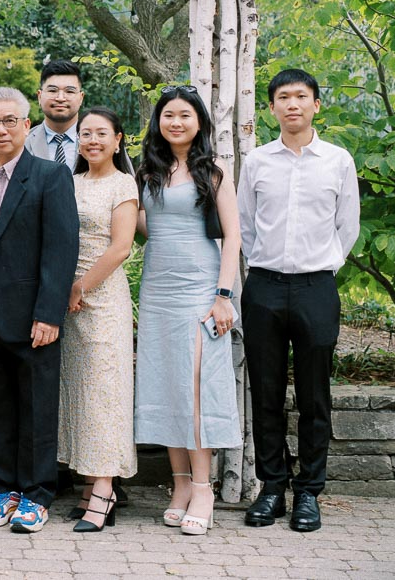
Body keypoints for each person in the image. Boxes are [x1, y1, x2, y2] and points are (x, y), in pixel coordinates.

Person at [0, 87, 79, 534]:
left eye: (10, 120)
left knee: (37, 405)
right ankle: (3, 489)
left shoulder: (49, 177)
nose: (1, 129)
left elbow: (61, 251)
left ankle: (37, 493)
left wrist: (49, 314)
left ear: (27, 125)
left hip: (31, 316)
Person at [238, 69, 360, 533]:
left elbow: (347, 227)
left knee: (314, 394)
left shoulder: (337, 161)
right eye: (283, 97)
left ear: (315, 105)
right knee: (265, 392)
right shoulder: (257, 162)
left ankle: (309, 491)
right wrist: (262, 267)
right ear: (271, 108)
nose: (292, 104)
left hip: (316, 288)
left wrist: (322, 265)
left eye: (301, 96)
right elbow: (246, 226)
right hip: (264, 287)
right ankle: (272, 488)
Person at [133, 85, 241, 536]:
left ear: (199, 123)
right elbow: (142, 231)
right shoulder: (147, 172)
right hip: (156, 289)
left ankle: (203, 488)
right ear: (158, 122)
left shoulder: (213, 171)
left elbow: (233, 237)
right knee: (168, 386)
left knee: (196, 390)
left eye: (184, 115)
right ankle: (178, 485)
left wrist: (223, 295)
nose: (175, 122)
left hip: (199, 289)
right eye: (168, 115)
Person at [58, 107, 139, 532]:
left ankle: (105, 491)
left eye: (101, 134)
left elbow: (121, 247)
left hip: (102, 298)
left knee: (104, 392)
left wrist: (81, 286)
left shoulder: (123, 184)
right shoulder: (68, 182)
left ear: (118, 140)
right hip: (69, 302)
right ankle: (89, 485)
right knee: (80, 392)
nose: (92, 140)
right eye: (85, 133)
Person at [24, 59, 85, 167]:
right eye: (52, 90)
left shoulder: (103, 142)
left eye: (69, 91)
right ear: (39, 96)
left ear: (81, 98)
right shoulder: (22, 143)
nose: (60, 98)